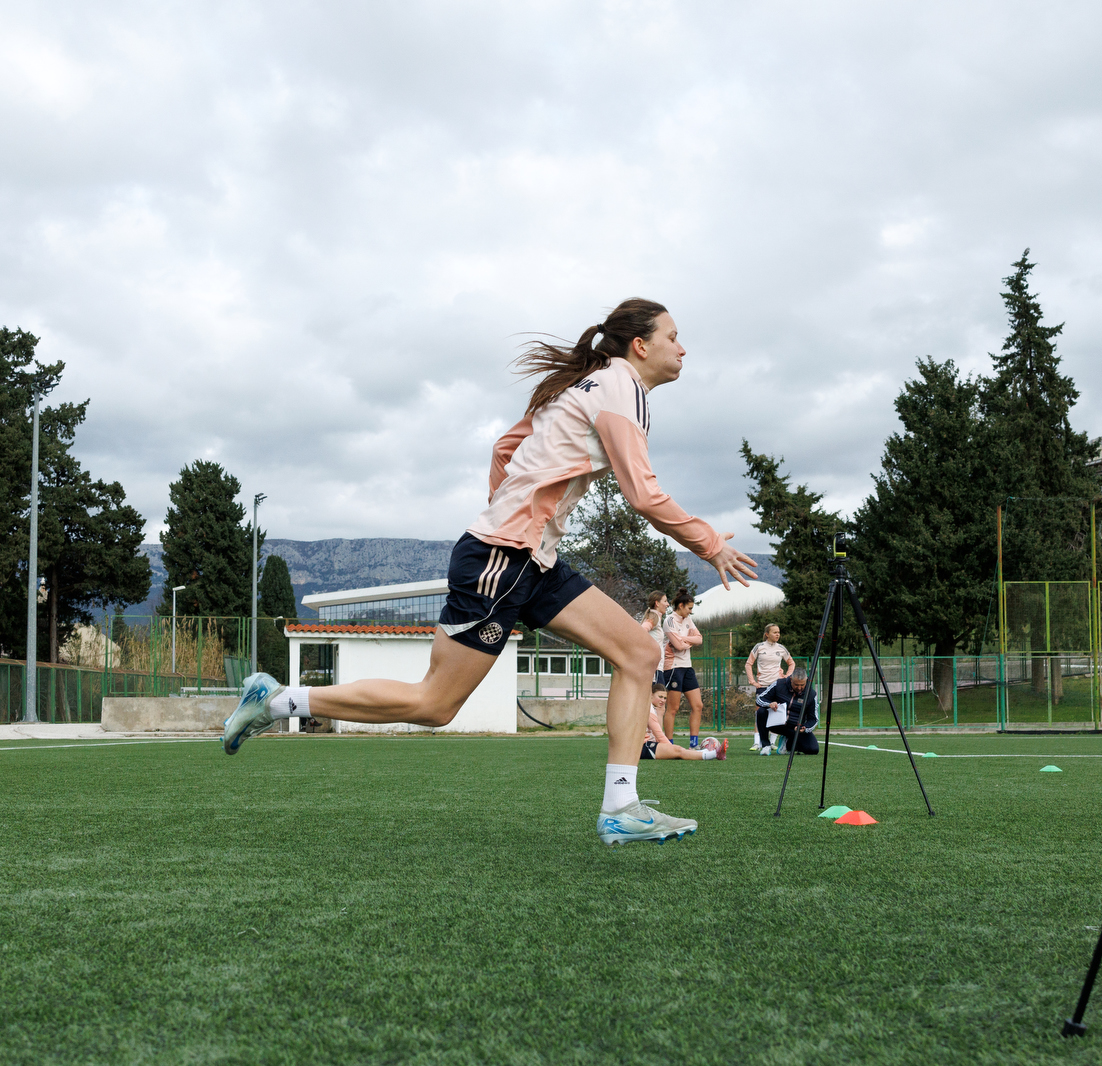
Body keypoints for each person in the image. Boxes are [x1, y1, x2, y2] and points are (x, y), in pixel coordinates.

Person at [219, 298, 757, 848]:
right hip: (504, 558)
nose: (682, 348)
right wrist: (708, 542)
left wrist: (512, 509)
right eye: (673, 337)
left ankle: (621, 808)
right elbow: (642, 492)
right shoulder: (623, 388)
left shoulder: (581, 388)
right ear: (640, 346)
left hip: (529, 558)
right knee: (435, 704)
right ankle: (280, 701)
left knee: (639, 653)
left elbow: (505, 447)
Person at [662, 589, 705, 747]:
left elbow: (699, 639)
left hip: (687, 667)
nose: (691, 611)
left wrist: (685, 638)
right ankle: (669, 744)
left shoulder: (688, 620)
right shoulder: (670, 621)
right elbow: (679, 647)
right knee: (673, 708)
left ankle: (693, 744)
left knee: (698, 705)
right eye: (689, 608)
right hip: (674, 668)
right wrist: (687, 642)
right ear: (681, 606)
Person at [641, 683, 726, 761]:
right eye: (660, 697)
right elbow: (659, 734)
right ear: (651, 695)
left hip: (644, 745)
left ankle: (709, 752)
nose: (663, 700)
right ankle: (715, 753)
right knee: (678, 751)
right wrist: (670, 748)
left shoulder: (649, 707)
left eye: (665, 698)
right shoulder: (648, 708)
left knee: (678, 750)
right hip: (642, 747)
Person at [744, 623, 794, 751]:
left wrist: (787, 677)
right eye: (774, 632)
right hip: (763, 685)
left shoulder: (781, 648)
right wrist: (752, 681)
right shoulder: (759, 647)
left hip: (777, 685)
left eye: (778, 632)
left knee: (777, 713)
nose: (777, 634)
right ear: (767, 634)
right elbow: (748, 664)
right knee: (759, 713)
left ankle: (772, 742)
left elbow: (791, 663)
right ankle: (757, 742)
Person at [755, 667, 819, 756]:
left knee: (813, 749)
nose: (799, 688)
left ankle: (788, 743)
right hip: (776, 724)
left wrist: (805, 728)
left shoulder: (811, 694)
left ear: (806, 680)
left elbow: (814, 719)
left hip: (795, 728)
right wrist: (769, 704)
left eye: (802, 685)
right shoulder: (779, 684)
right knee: (761, 711)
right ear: (791, 679)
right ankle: (766, 745)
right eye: (796, 684)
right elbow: (759, 699)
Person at [641, 590, 670, 684]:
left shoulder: (655, 617)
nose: (668, 604)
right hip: (654, 668)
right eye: (665, 601)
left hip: (656, 667)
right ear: (657, 603)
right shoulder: (654, 617)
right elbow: (641, 631)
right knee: (658, 696)